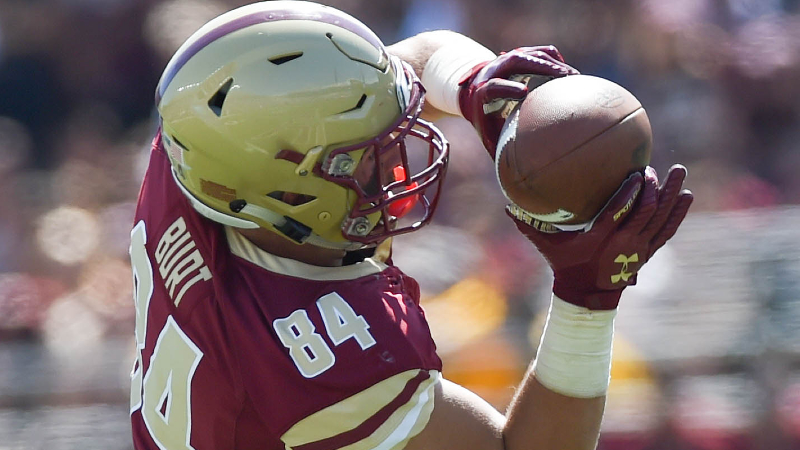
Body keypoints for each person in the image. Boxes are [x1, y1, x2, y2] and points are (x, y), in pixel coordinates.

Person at [128, 1, 693, 449]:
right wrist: (585, 300)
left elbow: (416, 58)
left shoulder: (204, 160)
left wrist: (476, 83)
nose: (399, 159)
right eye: (367, 154)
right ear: (292, 188)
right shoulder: (318, 360)